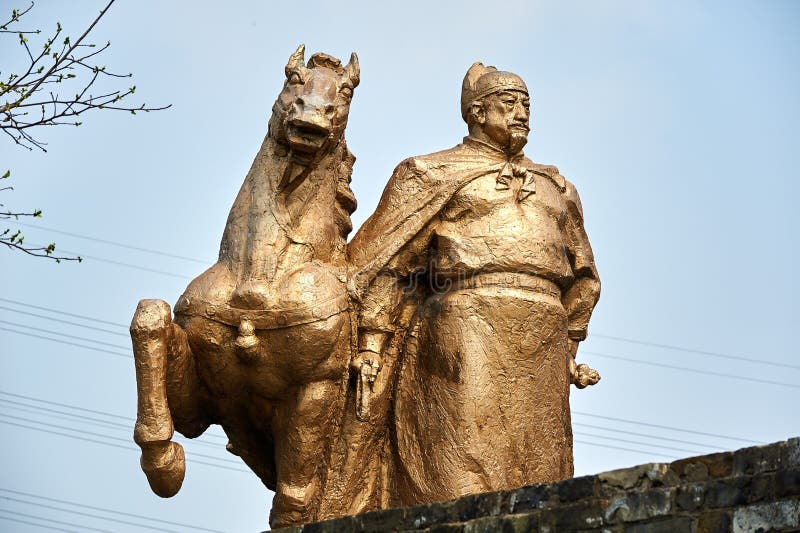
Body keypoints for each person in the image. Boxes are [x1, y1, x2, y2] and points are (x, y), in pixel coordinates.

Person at [337, 62, 601, 510]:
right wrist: (372, 342)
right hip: (464, 326)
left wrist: (571, 342)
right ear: (477, 112)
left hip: (543, 335)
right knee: (461, 454)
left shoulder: (556, 186)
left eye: (527, 104)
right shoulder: (430, 172)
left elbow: (583, 274)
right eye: (509, 103)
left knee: (541, 465)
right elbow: (387, 264)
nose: (522, 114)